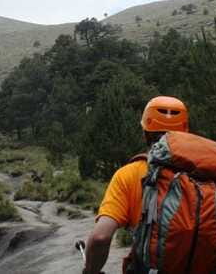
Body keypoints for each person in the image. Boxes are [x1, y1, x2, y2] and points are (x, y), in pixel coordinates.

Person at [82, 96, 191, 274]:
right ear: (185, 132)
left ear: (145, 132)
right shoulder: (205, 171)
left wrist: (90, 270)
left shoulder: (128, 175)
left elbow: (101, 237)